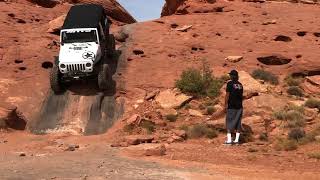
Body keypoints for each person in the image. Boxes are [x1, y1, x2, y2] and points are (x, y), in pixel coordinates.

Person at [224, 70, 243, 145]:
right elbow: (241, 96)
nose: (230, 76)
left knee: (229, 122)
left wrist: (225, 104)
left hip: (231, 106)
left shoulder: (229, 83)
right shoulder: (240, 85)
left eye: (231, 75)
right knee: (238, 123)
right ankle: (236, 140)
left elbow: (227, 95)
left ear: (233, 76)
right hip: (239, 106)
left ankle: (229, 140)